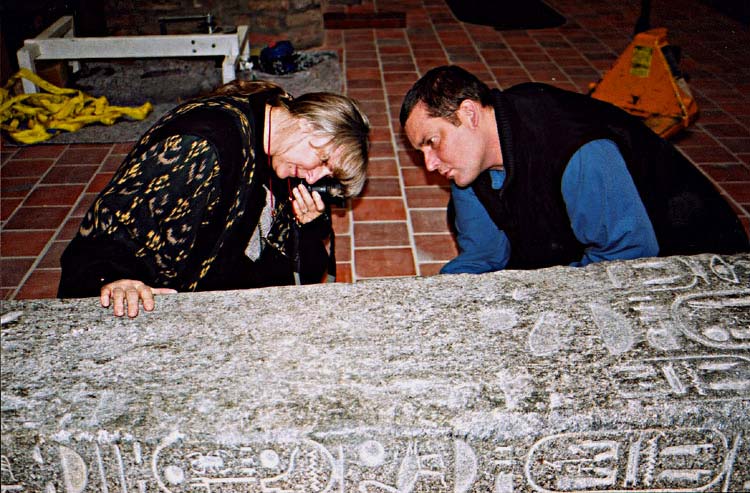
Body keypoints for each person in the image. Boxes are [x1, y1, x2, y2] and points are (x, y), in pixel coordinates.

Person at [59, 80, 370, 317]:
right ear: (306, 124)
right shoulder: (204, 146)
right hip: (150, 300)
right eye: (325, 161)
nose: (314, 177)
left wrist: (309, 225)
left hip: (214, 295)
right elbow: (110, 223)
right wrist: (116, 277)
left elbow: (295, 267)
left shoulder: (272, 142)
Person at [400, 65, 749, 274]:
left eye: (432, 141)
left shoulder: (577, 151)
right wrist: (442, 297)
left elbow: (626, 261)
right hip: (592, 250)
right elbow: (484, 253)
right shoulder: (465, 167)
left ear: (469, 114)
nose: (430, 165)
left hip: (694, 259)